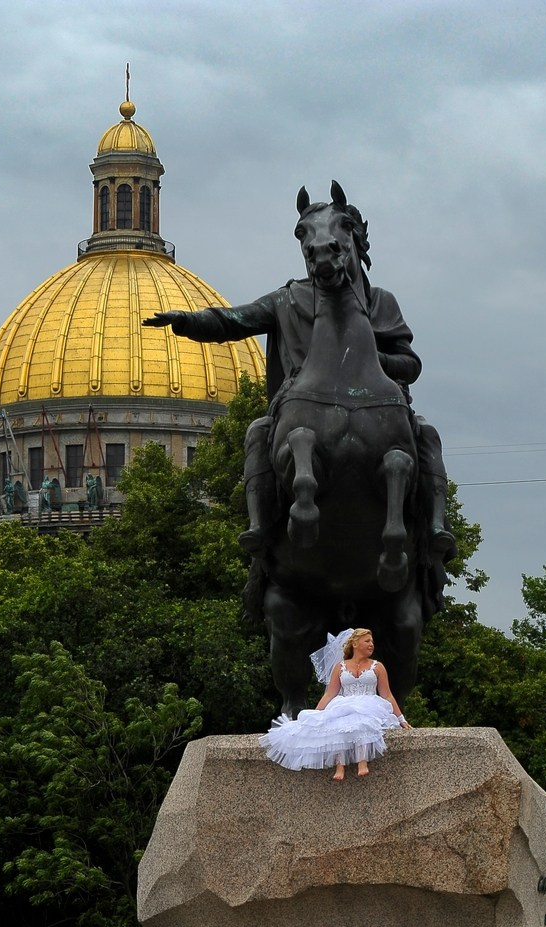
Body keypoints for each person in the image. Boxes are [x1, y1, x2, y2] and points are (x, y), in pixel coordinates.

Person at [142, 187, 456, 565]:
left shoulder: (379, 302)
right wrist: (187, 320)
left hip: (376, 399)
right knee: (259, 432)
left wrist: (370, 360)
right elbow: (233, 320)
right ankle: (259, 529)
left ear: (349, 241)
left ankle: (436, 528)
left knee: (426, 437)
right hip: (301, 401)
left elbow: (411, 364)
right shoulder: (286, 299)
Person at [260, 627, 409, 778]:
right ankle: (340, 766)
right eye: (367, 641)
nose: (371, 644)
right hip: (344, 704)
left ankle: (362, 762)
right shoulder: (340, 667)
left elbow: (387, 695)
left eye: (372, 641)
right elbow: (330, 693)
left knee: (363, 721)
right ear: (355, 644)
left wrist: (401, 718)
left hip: (369, 704)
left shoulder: (377, 666)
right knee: (338, 724)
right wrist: (316, 715)